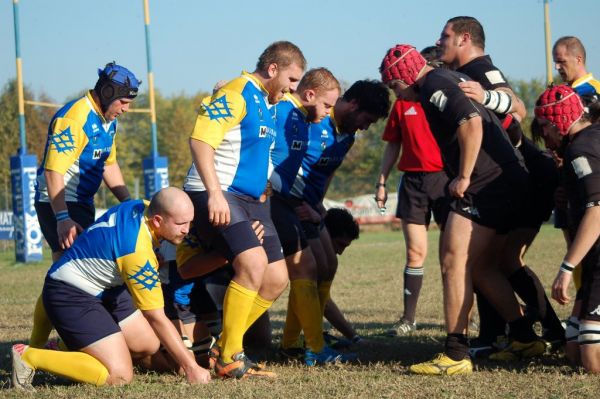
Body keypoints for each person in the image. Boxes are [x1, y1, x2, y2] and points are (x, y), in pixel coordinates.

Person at [379, 44, 545, 375]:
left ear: (406, 76)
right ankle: (525, 338)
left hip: (486, 184)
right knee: (482, 268)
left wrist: (465, 176)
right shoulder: (445, 78)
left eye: (394, 87)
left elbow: (471, 122)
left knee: (453, 261)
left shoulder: (432, 84)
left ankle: (455, 354)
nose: (396, 96)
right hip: (509, 180)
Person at [436, 16, 564, 355]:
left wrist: (486, 96)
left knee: (503, 260)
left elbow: (516, 105)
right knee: (490, 262)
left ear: (464, 38)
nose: (439, 41)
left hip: (530, 178)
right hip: (512, 178)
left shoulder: (480, 68)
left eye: (445, 35)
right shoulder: (458, 74)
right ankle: (511, 333)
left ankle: (550, 329)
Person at [183, 41, 305, 378]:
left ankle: (224, 347)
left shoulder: (268, 101)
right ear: (272, 70)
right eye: (292, 80)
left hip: (253, 201)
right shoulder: (237, 93)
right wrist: (214, 194)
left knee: (277, 277)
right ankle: (230, 357)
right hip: (220, 194)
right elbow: (200, 140)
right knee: (252, 263)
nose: (293, 89)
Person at [11, 187, 211, 390]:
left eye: (189, 222)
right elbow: (156, 317)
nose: (187, 230)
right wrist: (191, 367)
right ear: (158, 220)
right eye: (180, 224)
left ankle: (68, 344)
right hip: (70, 293)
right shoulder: (137, 253)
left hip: (100, 286)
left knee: (147, 344)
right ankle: (29, 356)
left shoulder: (140, 206)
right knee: (120, 375)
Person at [30, 62, 140, 350]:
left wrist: (129, 202)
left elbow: (109, 164)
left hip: (81, 204)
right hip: (59, 202)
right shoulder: (75, 118)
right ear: (106, 92)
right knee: (73, 277)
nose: (126, 109)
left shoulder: (107, 120)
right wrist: (63, 217)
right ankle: (51, 346)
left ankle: (42, 345)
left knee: (67, 275)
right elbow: (54, 172)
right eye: (123, 102)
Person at [281, 80, 390, 359]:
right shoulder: (314, 117)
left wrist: (319, 207)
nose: (366, 127)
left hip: (311, 206)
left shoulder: (348, 137)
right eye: (367, 119)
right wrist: (292, 203)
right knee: (312, 267)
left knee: (329, 264)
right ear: (353, 105)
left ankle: (298, 341)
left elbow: (326, 175)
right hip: (290, 203)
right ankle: (305, 345)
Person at [269, 68, 352, 365]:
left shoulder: (302, 118)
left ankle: (296, 345)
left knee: (309, 269)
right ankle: (311, 348)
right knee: (286, 274)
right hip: (272, 200)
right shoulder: (282, 110)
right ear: (309, 94)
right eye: (328, 106)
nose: (329, 112)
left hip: (289, 201)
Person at [376, 46, 449, 337]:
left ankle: (462, 318)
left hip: (445, 180)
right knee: (415, 252)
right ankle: (408, 319)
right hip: (413, 184)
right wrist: (381, 181)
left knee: (452, 255)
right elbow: (393, 143)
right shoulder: (402, 104)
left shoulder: (442, 100)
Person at [534, 84, 600, 373]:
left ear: (558, 121)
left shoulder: (581, 149)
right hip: (595, 259)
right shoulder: (588, 139)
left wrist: (567, 267)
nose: (544, 136)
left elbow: (597, 210)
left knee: (591, 363)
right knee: (572, 352)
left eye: (545, 128)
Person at [553, 36, 600, 122]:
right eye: (555, 62)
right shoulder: (558, 93)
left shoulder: (595, 90)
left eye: (562, 61)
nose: (557, 67)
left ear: (578, 59)